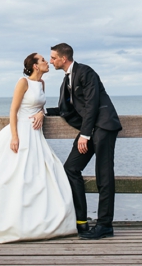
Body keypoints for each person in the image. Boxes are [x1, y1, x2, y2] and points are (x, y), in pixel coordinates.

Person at [0, 53, 75, 243]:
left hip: (36, 135)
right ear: (35, 66)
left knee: (39, 176)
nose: (47, 62)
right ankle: (8, 222)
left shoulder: (42, 84)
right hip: (21, 132)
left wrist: (42, 115)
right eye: (43, 60)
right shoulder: (23, 82)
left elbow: (40, 108)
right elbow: (13, 110)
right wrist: (14, 136)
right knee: (13, 175)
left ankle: (36, 222)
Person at [50, 43, 123, 240]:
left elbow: (92, 104)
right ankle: (81, 220)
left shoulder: (86, 72)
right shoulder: (67, 81)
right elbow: (68, 109)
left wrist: (84, 134)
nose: (51, 61)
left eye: (53, 58)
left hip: (104, 127)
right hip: (90, 130)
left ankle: (105, 225)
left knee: (104, 175)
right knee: (71, 168)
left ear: (63, 59)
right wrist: (42, 112)